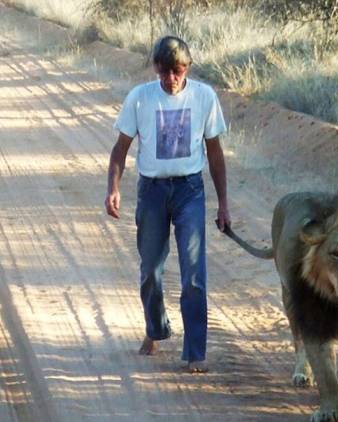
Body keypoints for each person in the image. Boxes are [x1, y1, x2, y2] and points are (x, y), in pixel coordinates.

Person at [105, 36, 231, 373]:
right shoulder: (140, 98)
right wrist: (113, 188)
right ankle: (155, 329)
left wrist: (223, 204)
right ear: (155, 69)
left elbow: (215, 154)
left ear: (187, 68)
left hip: (190, 189)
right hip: (152, 190)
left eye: (177, 72)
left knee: (194, 275)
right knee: (150, 270)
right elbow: (120, 149)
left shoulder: (204, 97)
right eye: (164, 72)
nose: (170, 79)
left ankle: (194, 352)